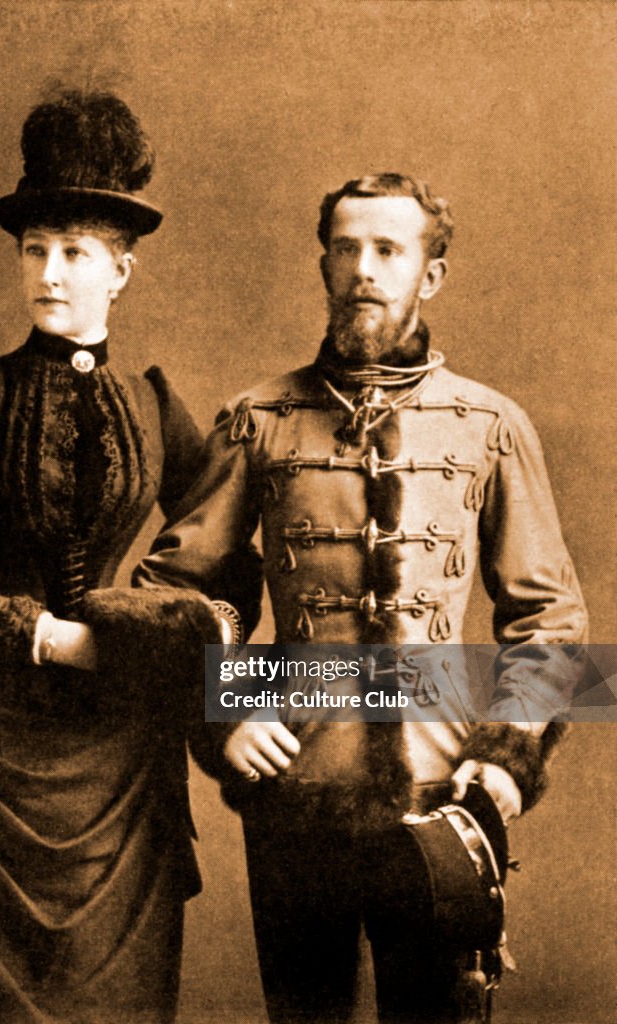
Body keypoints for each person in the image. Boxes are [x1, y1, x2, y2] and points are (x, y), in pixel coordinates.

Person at [136, 174, 588, 1023]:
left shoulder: (492, 426)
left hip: (448, 791)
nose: (364, 270)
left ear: (432, 274)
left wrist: (510, 756)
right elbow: (171, 593)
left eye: (388, 249)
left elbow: (554, 621)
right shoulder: (257, 419)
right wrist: (224, 712)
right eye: (346, 249)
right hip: (294, 795)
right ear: (324, 265)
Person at [0, 89, 232, 1024]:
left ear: (121, 271)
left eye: (75, 253)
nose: (49, 275)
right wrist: (53, 639)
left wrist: (176, 621)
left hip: (122, 757)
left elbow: (225, 539)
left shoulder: (151, 403)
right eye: (34, 251)